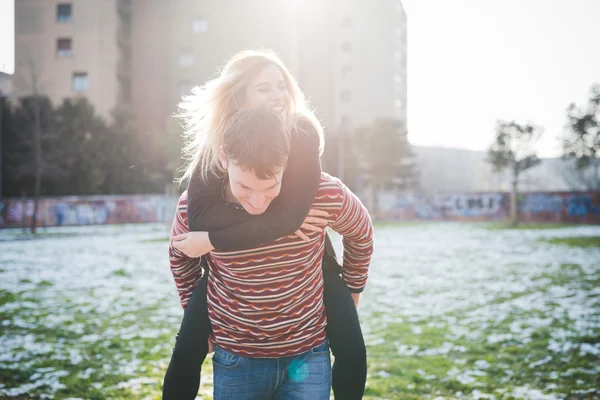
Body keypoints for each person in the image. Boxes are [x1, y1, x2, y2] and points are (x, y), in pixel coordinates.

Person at [163, 49, 370, 399]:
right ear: (238, 97)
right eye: (263, 88)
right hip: (235, 327)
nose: (277, 96)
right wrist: (207, 248)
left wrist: (354, 287)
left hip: (308, 274)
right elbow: (192, 225)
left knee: (353, 347)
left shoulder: (300, 136)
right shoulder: (215, 151)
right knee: (185, 351)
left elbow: (293, 217)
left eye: (281, 87)